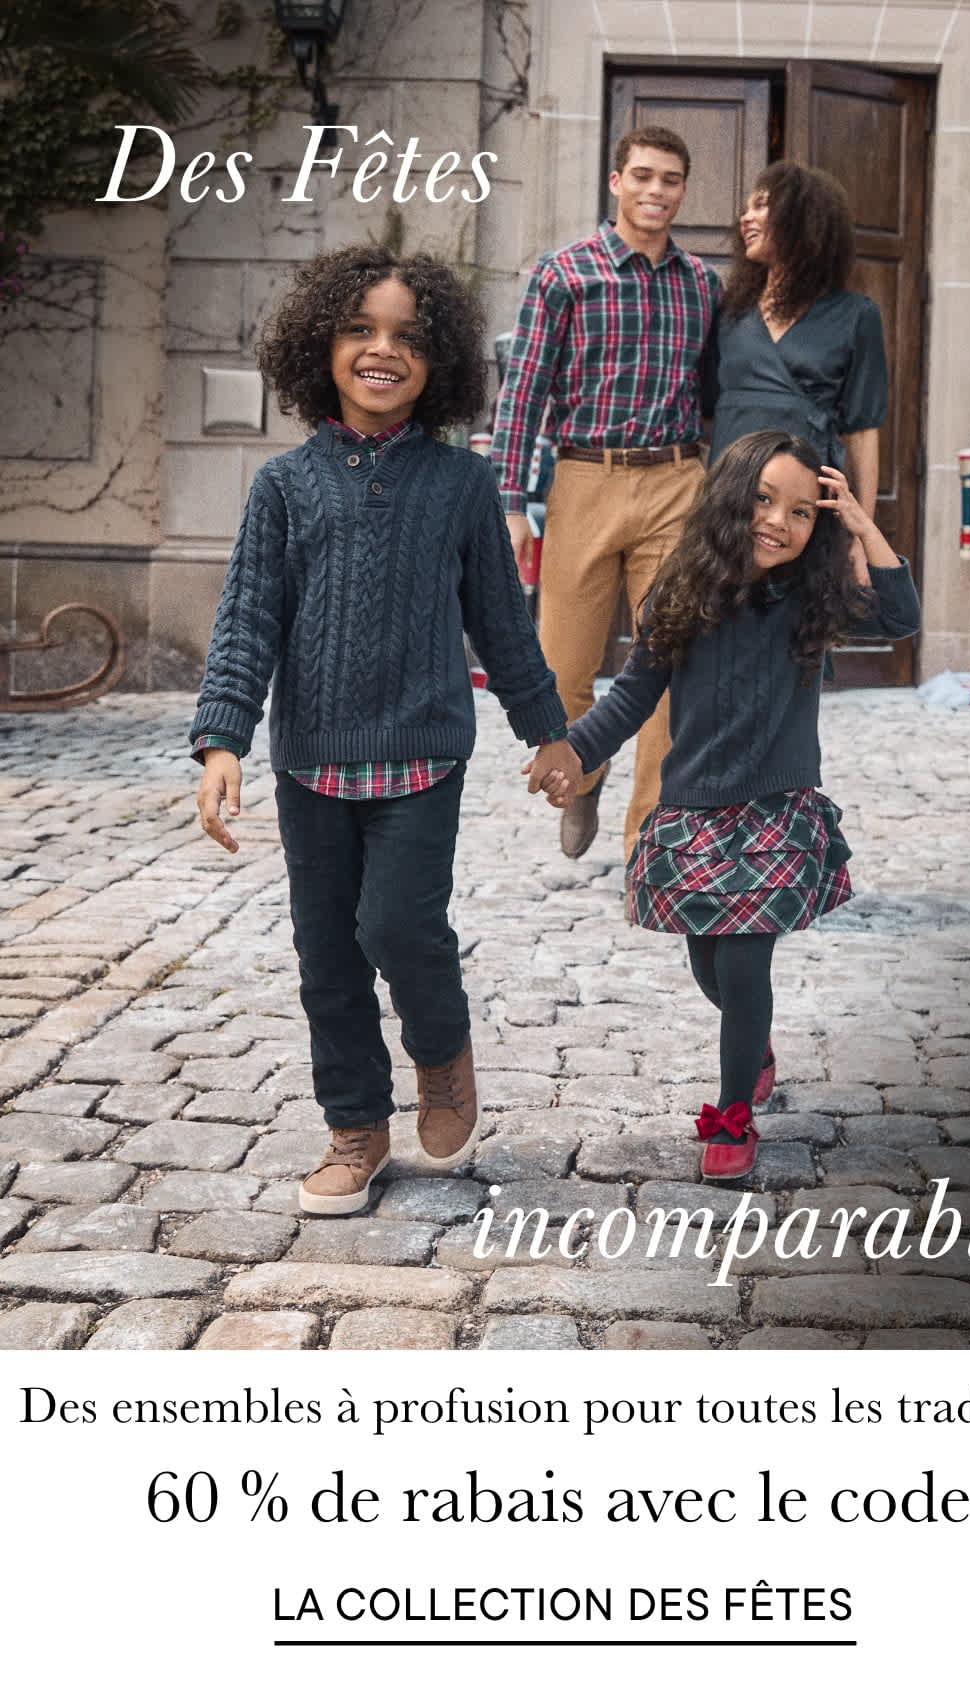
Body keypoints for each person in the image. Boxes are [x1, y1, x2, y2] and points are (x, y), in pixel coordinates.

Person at [190, 246, 569, 1216]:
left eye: (406, 335)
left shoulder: (460, 487)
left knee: (398, 925)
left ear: (438, 358)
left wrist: (551, 733)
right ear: (321, 346)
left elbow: (501, 622)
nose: (382, 350)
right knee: (328, 956)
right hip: (312, 760)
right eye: (361, 329)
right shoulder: (284, 486)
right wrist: (223, 741)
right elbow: (247, 621)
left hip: (423, 754)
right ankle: (355, 1129)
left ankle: (442, 1054)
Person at [526, 430, 921, 1181]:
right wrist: (573, 753)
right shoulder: (681, 591)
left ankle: (732, 1113)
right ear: (731, 497)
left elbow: (898, 615)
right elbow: (634, 694)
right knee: (707, 964)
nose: (779, 521)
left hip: (774, 813)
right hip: (692, 810)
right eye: (765, 500)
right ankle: (757, 1044)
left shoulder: (811, 596)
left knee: (743, 971)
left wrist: (861, 524)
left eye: (802, 512)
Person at [491, 125, 721, 864]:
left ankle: (646, 840)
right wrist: (509, 502)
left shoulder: (702, 285)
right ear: (615, 182)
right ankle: (584, 770)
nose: (657, 191)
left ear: (683, 190)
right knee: (561, 667)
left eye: (671, 179)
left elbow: (716, 392)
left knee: (668, 662)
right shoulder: (563, 274)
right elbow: (521, 393)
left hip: (676, 480)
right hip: (584, 477)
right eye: (644, 176)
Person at [708, 161, 888, 570]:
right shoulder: (728, 312)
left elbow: (862, 433)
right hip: (727, 503)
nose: (745, 217)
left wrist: (862, 534)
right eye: (746, 208)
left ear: (802, 218)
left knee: (800, 624)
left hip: (805, 506)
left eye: (762, 206)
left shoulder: (856, 315)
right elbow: (706, 415)